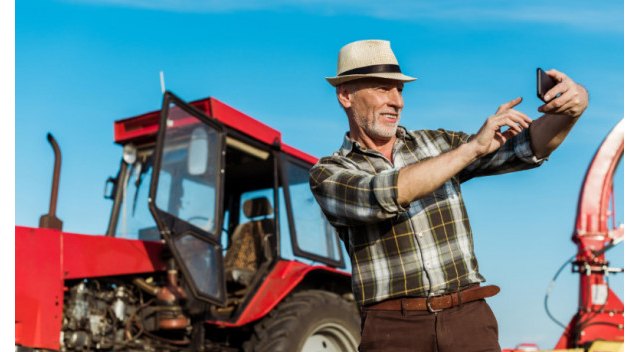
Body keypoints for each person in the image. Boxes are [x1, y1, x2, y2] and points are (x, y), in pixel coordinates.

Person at [309, 39, 588, 352]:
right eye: (382, 88)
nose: (396, 102)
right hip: (393, 330)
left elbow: (526, 148)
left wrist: (572, 109)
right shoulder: (329, 172)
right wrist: (470, 150)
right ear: (345, 95)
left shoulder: (437, 144)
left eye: (399, 90)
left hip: (467, 318)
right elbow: (383, 196)